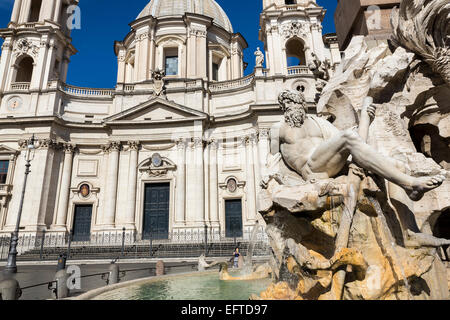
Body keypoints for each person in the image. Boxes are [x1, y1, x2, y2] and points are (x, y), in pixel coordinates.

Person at [277, 90, 445, 202]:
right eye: (287, 103)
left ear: (303, 104)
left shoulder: (318, 122)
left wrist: (366, 118)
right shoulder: (277, 128)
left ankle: (409, 232)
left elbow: (355, 144)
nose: (291, 106)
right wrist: (271, 178)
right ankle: (409, 183)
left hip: (331, 164)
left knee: (398, 164)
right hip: (311, 169)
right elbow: (273, 159)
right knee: (348, 136)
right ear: (282, 107)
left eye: (295, 102)